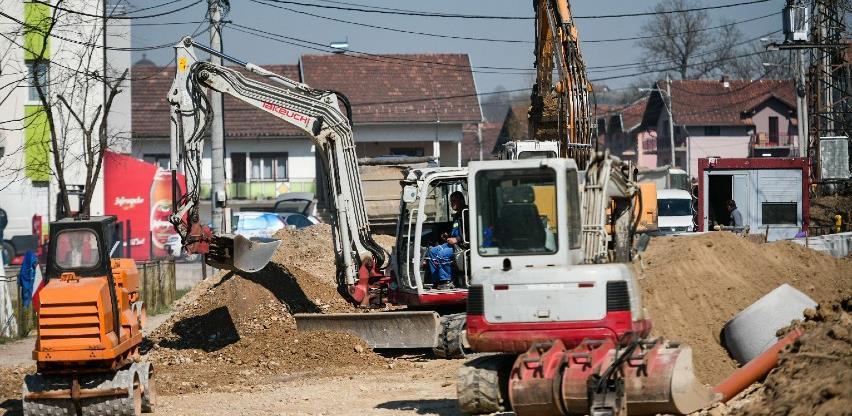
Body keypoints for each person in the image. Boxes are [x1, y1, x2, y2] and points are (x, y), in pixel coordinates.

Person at [426, 191, 468, 290]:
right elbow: (457, 231)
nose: (452, 204)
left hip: (462, 246)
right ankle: (437, 280)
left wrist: (457, 239)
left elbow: (471, 232)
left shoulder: (466, 213)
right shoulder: (457, 215)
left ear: (461, 201)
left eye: (454, 201)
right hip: (453, 244)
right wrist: (448, 236)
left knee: (442, 254)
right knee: (432, 251)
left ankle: (447, 281)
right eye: (450, 201)